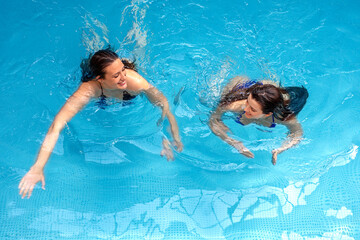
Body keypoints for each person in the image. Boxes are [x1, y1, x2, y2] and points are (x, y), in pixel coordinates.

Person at [19, 48, 183, 199]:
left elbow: (164, 105)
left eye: (123, 70)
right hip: (102, 92)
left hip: (122, 96)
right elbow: (57, 124)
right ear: (100, 79)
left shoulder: (135, 82)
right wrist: (38, 167)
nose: (123, 77)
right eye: (116, 75)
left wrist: (170, 135)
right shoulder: (89, 90)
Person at [209, 76, 308, 165]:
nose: (245, 108)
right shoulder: (235, 105)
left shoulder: (282, 118)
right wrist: (234, 143)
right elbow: (213, 120)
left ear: (268, 114)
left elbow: (298, 133)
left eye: (252, 109)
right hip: (241, 85)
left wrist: (281, 149)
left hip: (267, 96)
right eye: (248, 102)